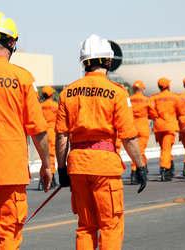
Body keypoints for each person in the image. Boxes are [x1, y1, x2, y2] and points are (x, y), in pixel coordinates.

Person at [56, 34, 146, 250]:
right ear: (108, 61)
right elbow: (128, 137)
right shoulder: (116, 93)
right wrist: (140, 165)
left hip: (77, 165)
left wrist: (62, 169)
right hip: (105, 166)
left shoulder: (68, 92)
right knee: (110, 225)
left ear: (84, 62)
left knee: (85, 226)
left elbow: (61, 136)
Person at [0, 12, 52, 249]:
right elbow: (38, 131)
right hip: (10, 170)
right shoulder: (22, 78)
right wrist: (47, 165)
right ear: (12, 42)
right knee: (8, 233)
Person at [149, 77, 184, 181]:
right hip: (169, 126)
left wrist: (156, 116)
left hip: (158, 126)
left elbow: (149, 109)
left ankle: (168, 166)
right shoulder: (174, 97)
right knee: (166, 149)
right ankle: (165, 169)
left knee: (164, 148)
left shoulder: (153, 97)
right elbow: (181, 111)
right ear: (168, 86)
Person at [130, 80, 150, 184]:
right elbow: (153, 113)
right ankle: (134, 172)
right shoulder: (146, 100)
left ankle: (143, 169)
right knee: (139, 151)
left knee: (137, 150)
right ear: (142, 88)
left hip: (132, 126)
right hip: (142, 126)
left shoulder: (128, 100)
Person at [39, 86, 58, 189]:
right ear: (51, 94)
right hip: (52, 132)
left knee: (44, 156)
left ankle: (43, 175)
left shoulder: (40, 106)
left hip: (42, 132)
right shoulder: (55, 106)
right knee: (51, 155)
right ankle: (52, 177)